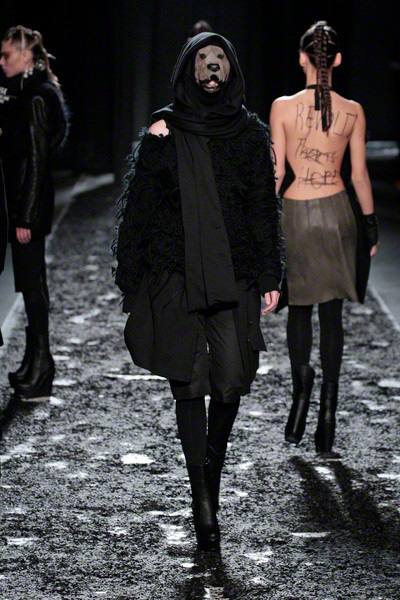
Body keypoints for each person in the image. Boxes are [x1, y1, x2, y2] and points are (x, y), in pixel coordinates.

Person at [114, 32, 283, 550]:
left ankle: (210, 472)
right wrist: (131, 275)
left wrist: (270, 275)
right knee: (187, 381)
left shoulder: (249, 134)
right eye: (203, 60)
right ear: (189, 70)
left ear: (231, 70)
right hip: (176, 271)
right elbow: (140, 207)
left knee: (230, 381)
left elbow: (262, 207)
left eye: (220, 60)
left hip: (234, 271)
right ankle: (202, 500)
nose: (211, 68)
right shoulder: (164, 131)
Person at [270, 21, 378, 454]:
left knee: (299, 309)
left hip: (296, 212)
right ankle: (328, 414)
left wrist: (261, 225)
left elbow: (277, 173)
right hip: (337, 213)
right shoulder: (353, 110)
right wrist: (369, 226)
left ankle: (301, 397)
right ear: (336, 60)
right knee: (332, 314)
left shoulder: (282, 107)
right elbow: (359, 176)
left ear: (302, 58)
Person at [0, 26, 68, 398]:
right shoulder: (28, 92)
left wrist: (25, 216)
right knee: (30, 284)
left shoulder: (38, 96)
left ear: (26, 55)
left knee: (33, 285)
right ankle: (35, 360)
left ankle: (42, 366)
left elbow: (38, 161)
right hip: (27, 201)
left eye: (7, 55)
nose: (1, 62)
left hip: (30, 205)